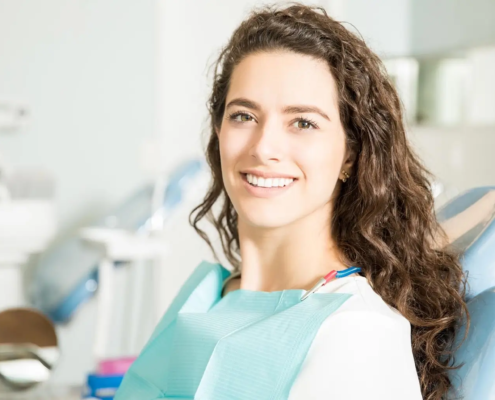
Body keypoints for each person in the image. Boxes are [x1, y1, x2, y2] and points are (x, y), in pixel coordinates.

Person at [115, 4, 471, 400]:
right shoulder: (209, 293)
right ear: (218, 134)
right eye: (243, 116)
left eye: (303, 122)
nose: (264, 147)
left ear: (350, 155)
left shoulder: (356, 331)